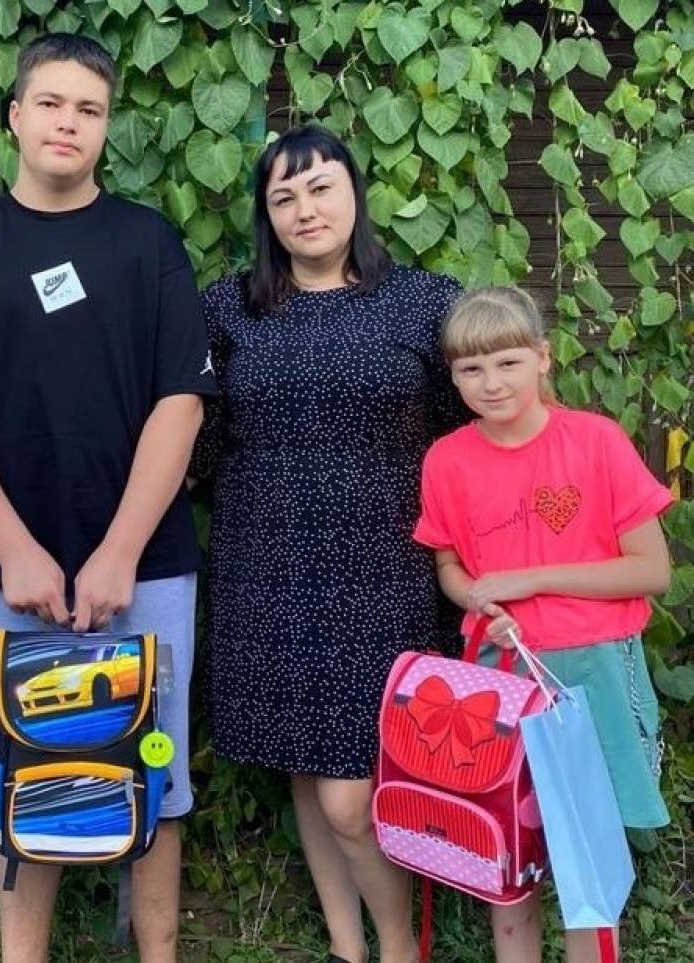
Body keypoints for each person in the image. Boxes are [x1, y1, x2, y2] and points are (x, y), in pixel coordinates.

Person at [0, 32, 215, 963]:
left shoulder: (147, 242)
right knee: (25, 763)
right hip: (6, 572)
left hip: (147, 566)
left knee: (157, 771)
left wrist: (120, 551)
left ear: (107, 125)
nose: (68, 123)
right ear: (14, 116)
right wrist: (15, 549)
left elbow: (180, 402)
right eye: (50, 103)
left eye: (89, 108)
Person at [190, 125, 467, 963]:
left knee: (352, 792)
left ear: (354, 193)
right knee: (306, 771)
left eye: (320, 188)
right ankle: (349, 948)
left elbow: (459, 439)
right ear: (265, 215)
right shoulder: (228, 308)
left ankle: (399, 948)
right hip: (264, 567)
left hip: (385, 573)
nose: (304, 210)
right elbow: (201, 446)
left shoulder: (425, 301)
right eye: (283, 197)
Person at [413, 285, 671, 963]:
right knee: (506, 858)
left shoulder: (595, 440)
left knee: (589, 867)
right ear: (453, 376)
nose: (491, 382)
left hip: (593, 672)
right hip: (498, 681)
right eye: (471, 368)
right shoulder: (447, 459)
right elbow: (449, 566)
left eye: (508, 362)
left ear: (543, 357)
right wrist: (479, 600)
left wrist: (530, 579)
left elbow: (651, 570)